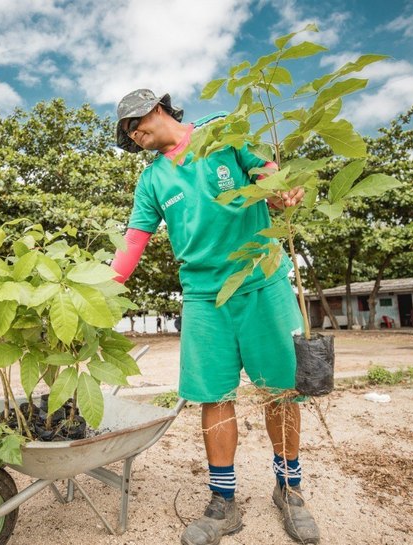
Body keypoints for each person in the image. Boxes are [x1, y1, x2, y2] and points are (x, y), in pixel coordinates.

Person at [111, 89, 319, 545]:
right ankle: (223, 502)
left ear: (157, 109)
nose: (133, 135)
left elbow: (267, 172)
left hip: (262, 281)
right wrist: (100, 288)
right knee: (214, 397)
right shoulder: (151, 180)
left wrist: (280, 190)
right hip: (204, 297)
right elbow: (133, 241)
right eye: (127, 133)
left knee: (281, 391)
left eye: (133, 124)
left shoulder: (222, 131)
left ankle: (290, 490)